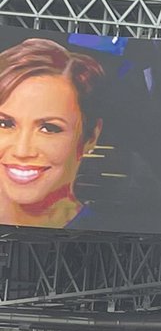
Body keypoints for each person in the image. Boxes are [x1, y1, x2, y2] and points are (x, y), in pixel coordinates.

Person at [0, 38, 105, 228]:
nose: (22, 151)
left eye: (49, 128)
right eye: (5, 124)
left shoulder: (102, 234)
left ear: (91, 137)